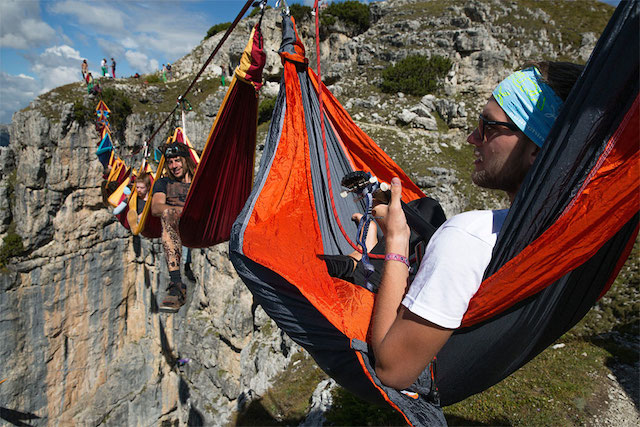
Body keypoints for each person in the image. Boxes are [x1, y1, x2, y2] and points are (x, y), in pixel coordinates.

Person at [369, 61, 584, 391]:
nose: (473, 138)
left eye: (489, 127)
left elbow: (391, 369)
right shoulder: (570, 236)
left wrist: (397, 239)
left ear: (538, 150)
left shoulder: (467, 238)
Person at [151, 142, 196, 312]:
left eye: (177, 161)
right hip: (176, 228)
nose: (174, 166)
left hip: (200, 226)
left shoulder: (200, 180)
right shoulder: (163, 183)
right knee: (168, 214)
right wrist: (181, 211)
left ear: (186, 160)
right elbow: (156, 207)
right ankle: (176, 283)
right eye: (170, 162)